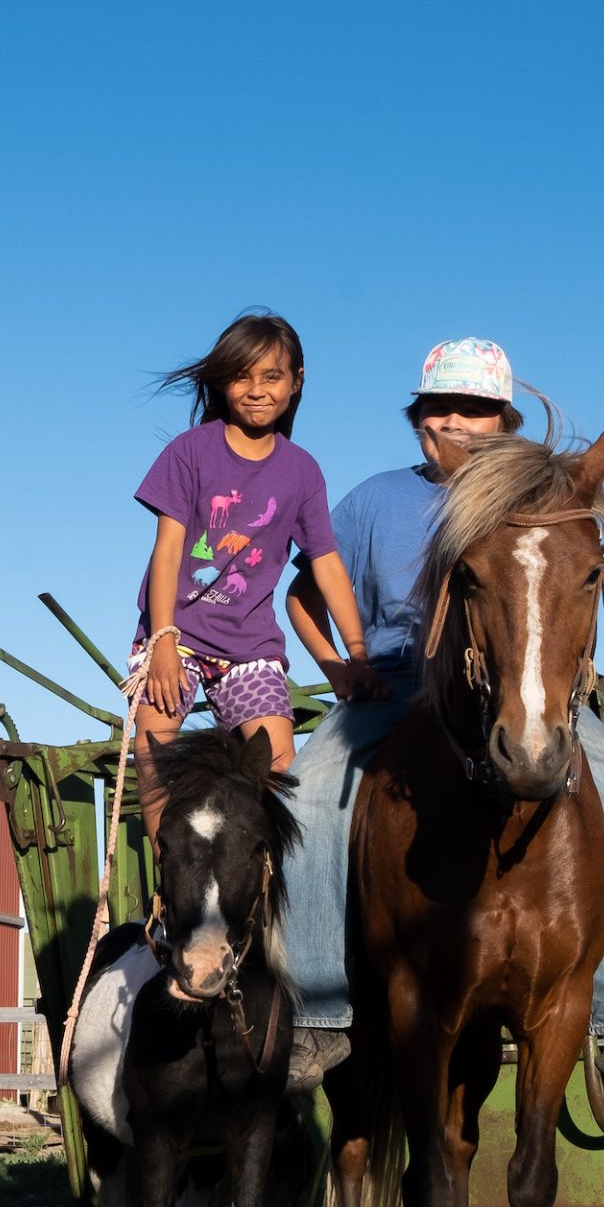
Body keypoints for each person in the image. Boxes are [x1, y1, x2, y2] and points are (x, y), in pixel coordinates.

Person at [281, 337, 604, 1109]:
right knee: (308, 801)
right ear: (417, 420)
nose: (456, 422)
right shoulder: (374, 501)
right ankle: (319, 1013)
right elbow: (303, 597)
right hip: (393, 694)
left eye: (477, 410)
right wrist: (339, 669)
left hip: (525, 696)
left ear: (506, 422)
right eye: (438, 409)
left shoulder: (544, 495)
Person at [128, 312, 386, 841]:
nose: (256, 390)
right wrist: (160, 640)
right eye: (242, 376)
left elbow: (327, 563)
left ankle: (262, 879)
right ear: (222, 382)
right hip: (175, 635)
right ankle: (166, 885)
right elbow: (168, 551)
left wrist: (356, 652)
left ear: (297, 381)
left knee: (276, 764)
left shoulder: (302, 470)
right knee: (156, 754)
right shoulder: (191, 452)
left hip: (250, 647)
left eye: (272, 376)